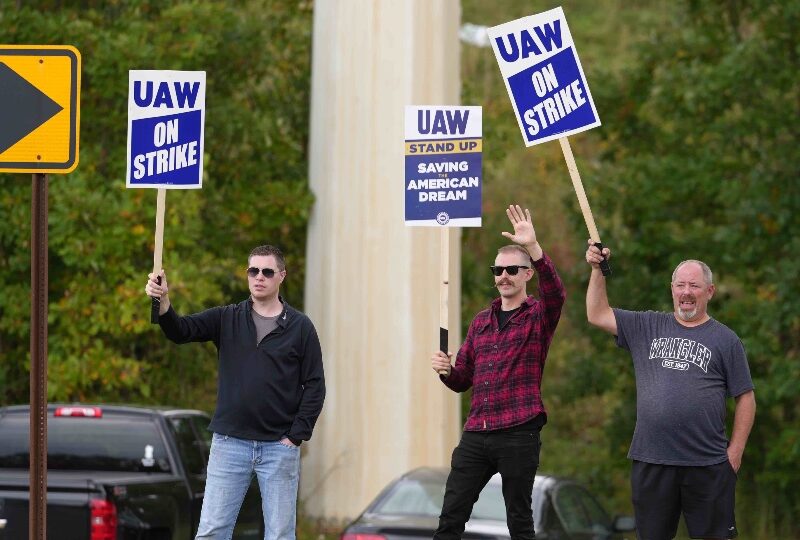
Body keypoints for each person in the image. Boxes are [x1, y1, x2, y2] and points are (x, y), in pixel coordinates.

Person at [145, 244, 325, 540]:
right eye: (253, 270)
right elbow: (180, 331)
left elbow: (315, 385)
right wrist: (163, 302)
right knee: (213, 531)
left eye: (267, 271)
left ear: (282, 276)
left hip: (279, 448)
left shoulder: (300, 327)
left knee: (280, 535)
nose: (259, 277)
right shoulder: (227, 317)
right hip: (230, 443)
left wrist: (295, 437)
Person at [585, 241, 756, 540]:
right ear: (672, 289)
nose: (686, 292)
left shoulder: (726, 340)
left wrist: (736, 453)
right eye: (680, 285)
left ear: (710, 292)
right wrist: (597, 270)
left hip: (708, 465)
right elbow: (597, 314)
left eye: (694, 285)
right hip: (652, 461)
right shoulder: (646, 326)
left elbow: (746, 397)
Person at [431, 204, 566, 540]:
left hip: (519, 430)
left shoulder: (538, 316)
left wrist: (533, 247)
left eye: (511, 270)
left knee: (518, 520)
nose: (503, 276)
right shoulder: (480, 321)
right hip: (478, 431)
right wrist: (447, 371)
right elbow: (463, 380)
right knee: (451, 515)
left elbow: (557, 292)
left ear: (526, 274)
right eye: (498, 270)